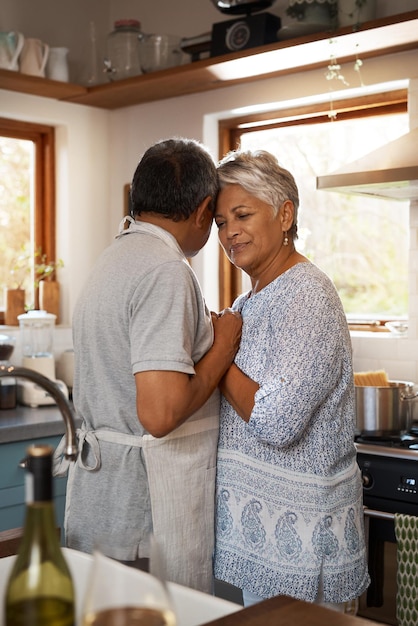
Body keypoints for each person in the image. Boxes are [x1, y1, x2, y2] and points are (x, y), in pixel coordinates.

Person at [54, 137, 242, 593]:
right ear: (202, 211)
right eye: (215, 218)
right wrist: (224, 345)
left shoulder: (113, 258)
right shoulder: (166, 271)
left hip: (103, 500)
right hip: (141, 514)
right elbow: (159, 414)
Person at [212, 148, 370, 611]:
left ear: (285, 214)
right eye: (221, 221)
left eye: (242, 214)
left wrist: (218, 354)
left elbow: (276, 422)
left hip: (302, 546)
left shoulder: (307, 295)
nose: (229, 232)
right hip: (261, 542)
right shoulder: (249, 301)